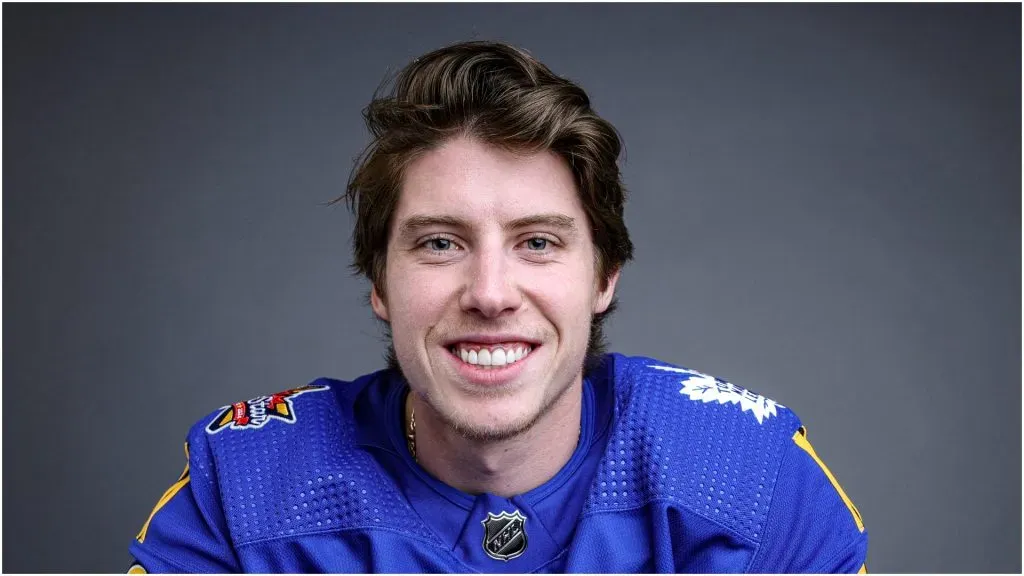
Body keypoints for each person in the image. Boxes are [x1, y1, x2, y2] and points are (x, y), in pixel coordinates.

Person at [128, 40, 868, 573]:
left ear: (604, 275)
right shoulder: (247, 489)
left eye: (539, 243)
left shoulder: (748, 477)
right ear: (379, 283)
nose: (489, 293)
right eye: (441, 244)